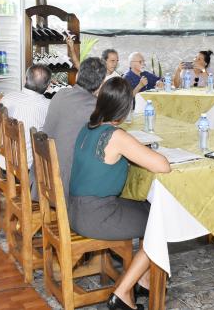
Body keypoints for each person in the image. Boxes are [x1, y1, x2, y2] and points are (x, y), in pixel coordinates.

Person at [68, 77, 171, 310]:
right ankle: (122, 293)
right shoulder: (116, 136)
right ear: (126, 109)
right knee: (160, 222)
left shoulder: (88, 127)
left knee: (148, 209)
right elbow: (163, 165)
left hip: (74, 209)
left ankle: (143, 280)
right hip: (97, 215)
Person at [41, 57, 106, 200]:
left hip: (42, 173)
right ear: (101, 83)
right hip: (63, 184)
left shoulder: (60, 94)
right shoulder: (95, 107)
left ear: (78, 75)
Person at [0, 65, 51, 190]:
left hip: (4, 162)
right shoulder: (48, 106)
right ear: (49, 86)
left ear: (25, 80)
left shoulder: (7, 98)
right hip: (28, 170)